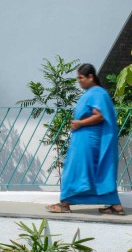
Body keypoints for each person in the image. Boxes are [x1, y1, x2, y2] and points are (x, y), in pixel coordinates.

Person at [47, 63, 124, 215]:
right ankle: (116, 206)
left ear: (91, 77)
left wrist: (80, 123)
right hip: (86, 140)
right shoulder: (95, 93)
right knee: (92, 172)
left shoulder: (97, 93)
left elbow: (99, 116)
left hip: (88, 141)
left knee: (75, 170)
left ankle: (65, 203)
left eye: (81, 78)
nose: (79, 81)